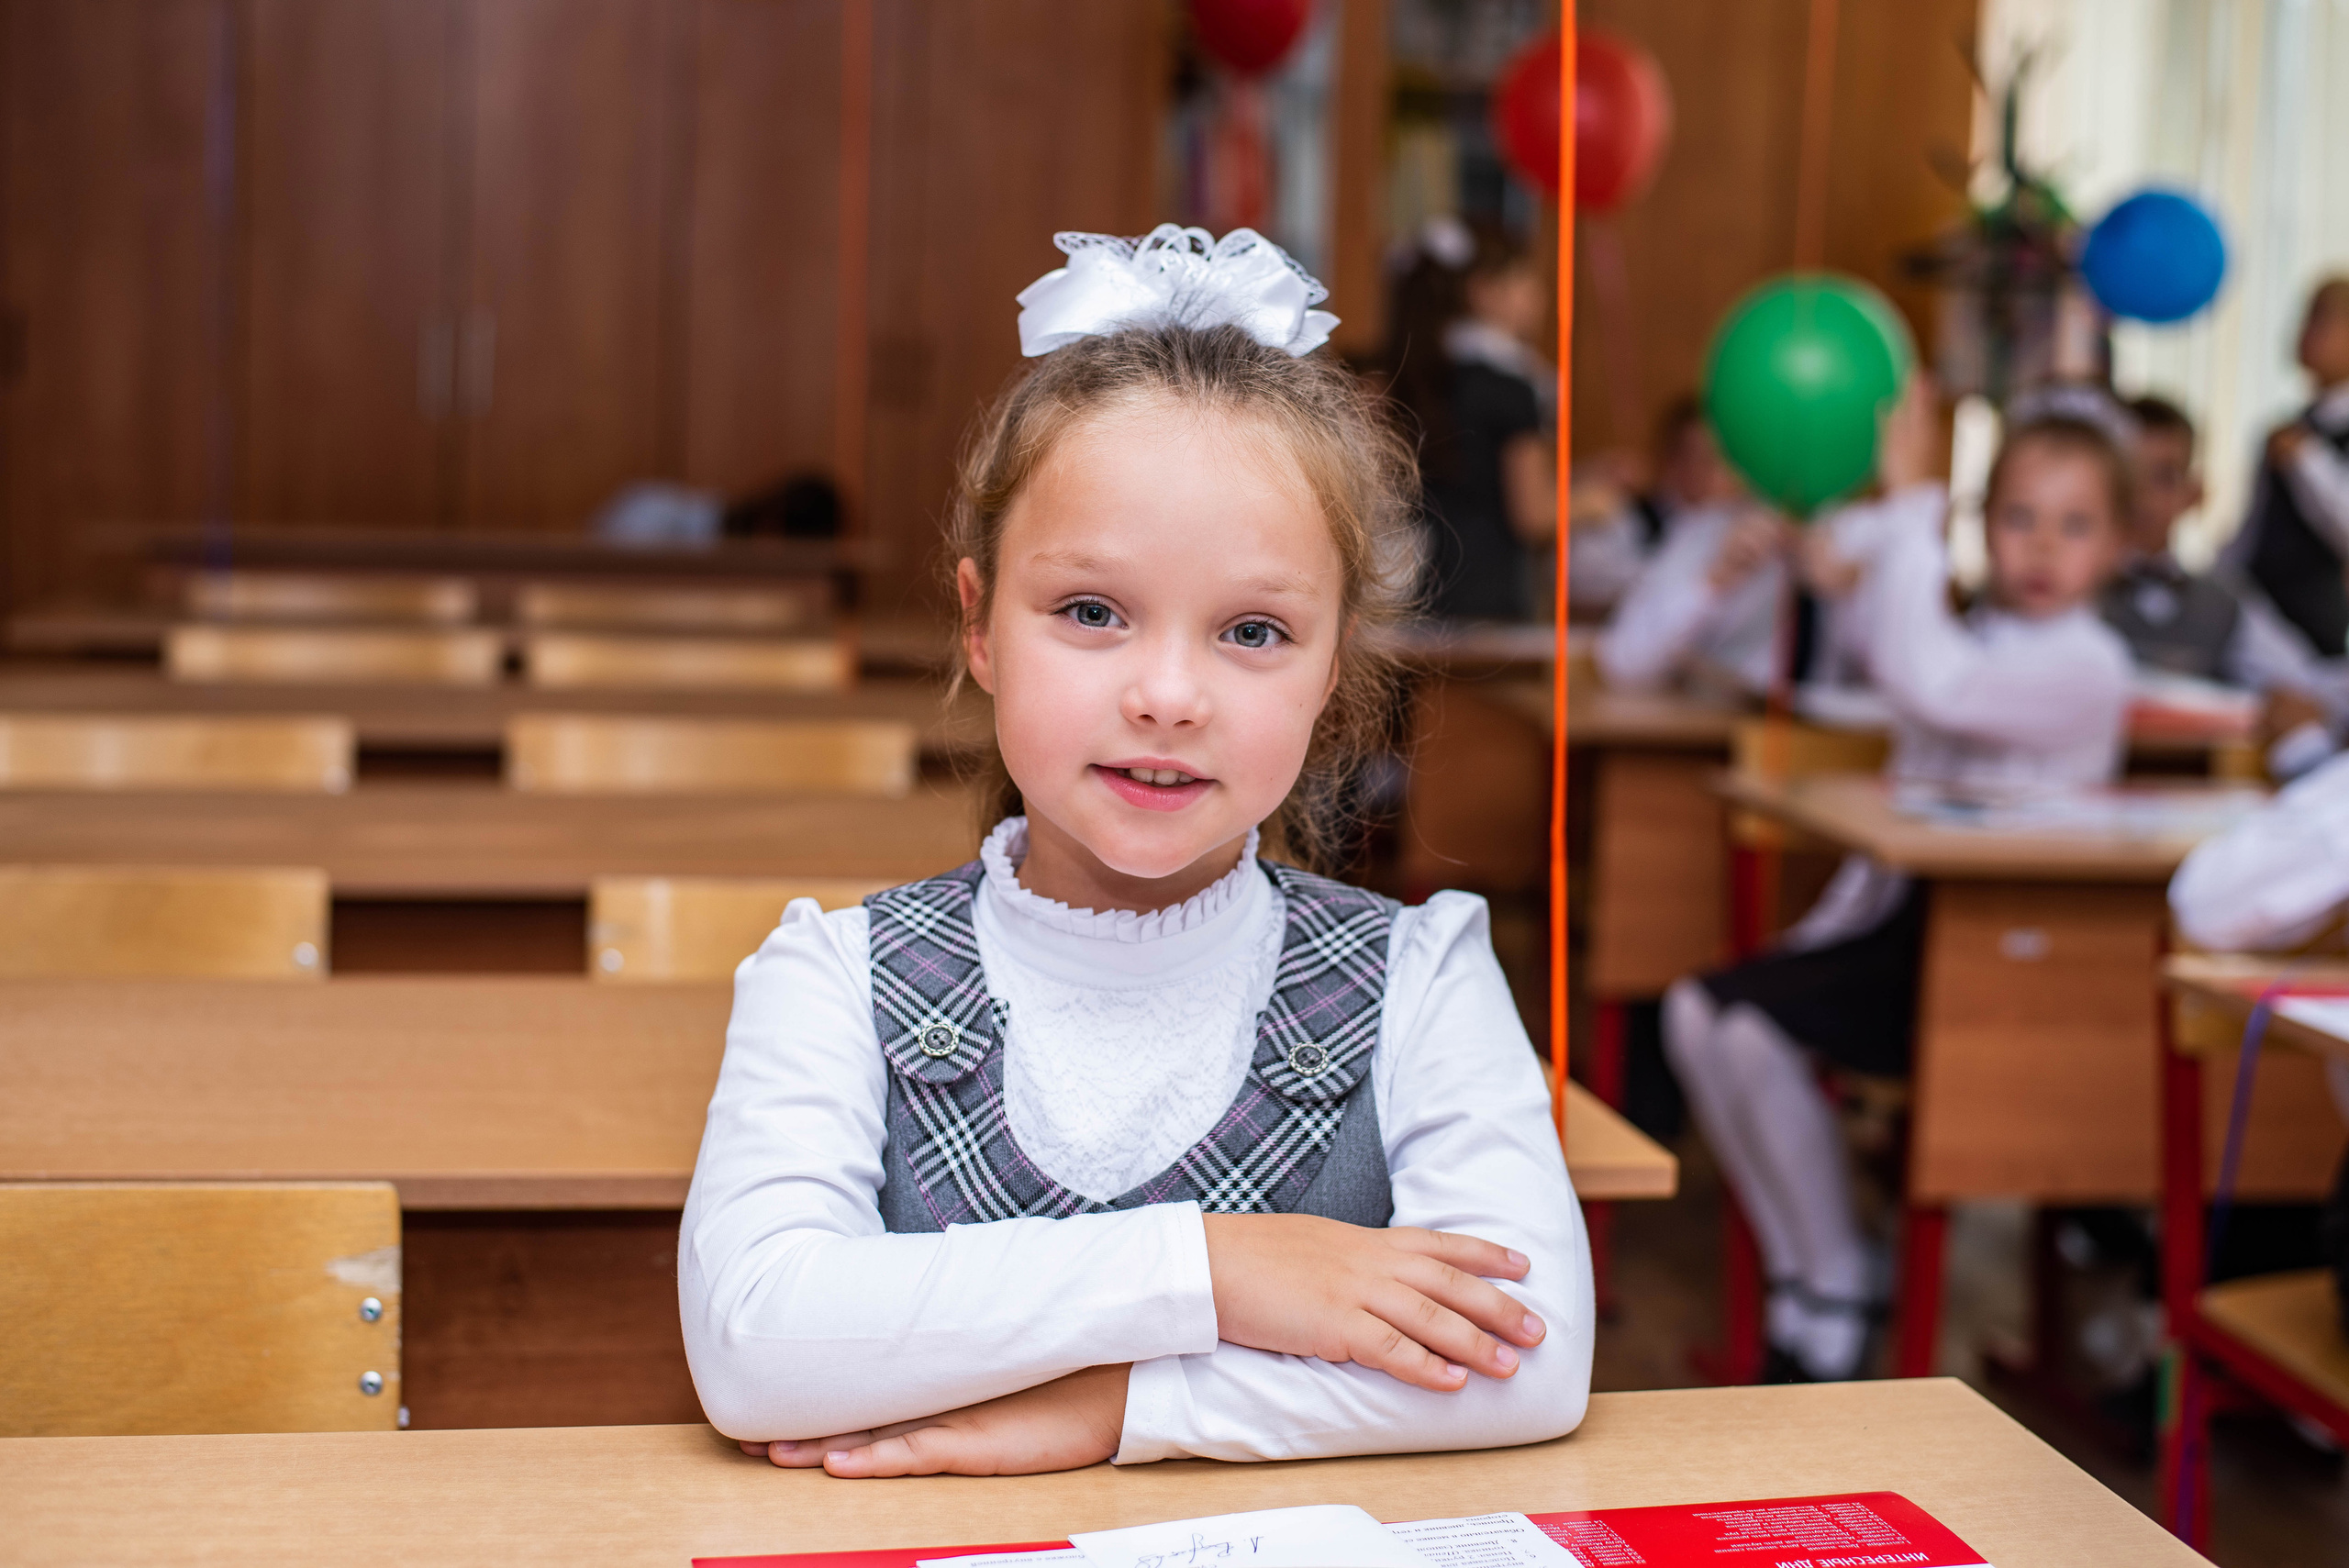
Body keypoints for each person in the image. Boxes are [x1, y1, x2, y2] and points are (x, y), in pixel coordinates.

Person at [680, 226, 1593, 1476]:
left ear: (1333, 669)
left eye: (1253, 631)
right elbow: (757, 1346)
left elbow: (1529, 1355)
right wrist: (1217, 1268)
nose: (1167, 696)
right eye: (1092, 611)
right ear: (980, 625)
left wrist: (1118, 1408)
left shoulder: (1422, 978)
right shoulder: (831, 977)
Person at [1660, 383, 2134, 1382]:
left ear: (2120, 546)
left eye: (2075, 525)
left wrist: (1915, 505)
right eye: (2019, 517)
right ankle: (1815, 1268)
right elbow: (1891, 637)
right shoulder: (1983, 632)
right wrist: (1863, 540)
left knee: (1742, 1028)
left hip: (1996, 961)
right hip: (1906, 926)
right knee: (1699, 1014)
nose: (2043, 547)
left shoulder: (2091, 663)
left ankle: (1832, 1286)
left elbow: (1931, 681)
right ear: (1984, 524)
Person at [2101, 395, 2337, 701]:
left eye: (2163, 477)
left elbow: (2305, 682)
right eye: (2127, 475)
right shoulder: (2067, 590)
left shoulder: (2225, 600)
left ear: (2195, 493)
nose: (2141, 495)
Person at [1385, 219, 1555, 621]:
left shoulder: (1413, 372)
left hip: (1414, 591)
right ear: (1483, 291)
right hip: (1488, 595)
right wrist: (1593, 502)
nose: (1539, 295)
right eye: (1525, 280)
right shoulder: (1510, 386)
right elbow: (1533, 514)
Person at [2232, 277, 2349, 655]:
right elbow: (2253, 527)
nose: (2304, 331)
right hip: (2252, 617)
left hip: (2315, 631)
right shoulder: (2289, 428)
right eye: (2306, 317)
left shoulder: (2303, 445)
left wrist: (2306, 459)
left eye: (2322, 319)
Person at [1568, 395, 1740, 616]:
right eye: (1693, 457)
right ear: (1670, 461)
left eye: (1716, 459)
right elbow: (1578, 577)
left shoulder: (1743, 526)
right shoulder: (1634, 514)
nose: (1704, 472)